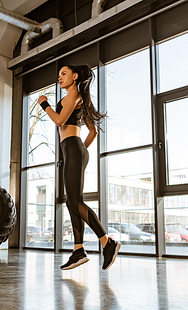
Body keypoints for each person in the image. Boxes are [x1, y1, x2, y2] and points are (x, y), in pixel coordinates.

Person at [37, 64, 121, 270]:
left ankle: (107, 243)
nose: (60, 77)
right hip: (73, 150)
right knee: (72, 202)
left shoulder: (74, 94)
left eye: (63, 74)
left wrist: (44, 104)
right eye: (58, 75)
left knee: (74, 202)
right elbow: (93, 131)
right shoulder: (73, 98)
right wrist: (81, 148)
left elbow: (59, 120)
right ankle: (78, 250)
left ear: (75, 76)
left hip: (73, 149)